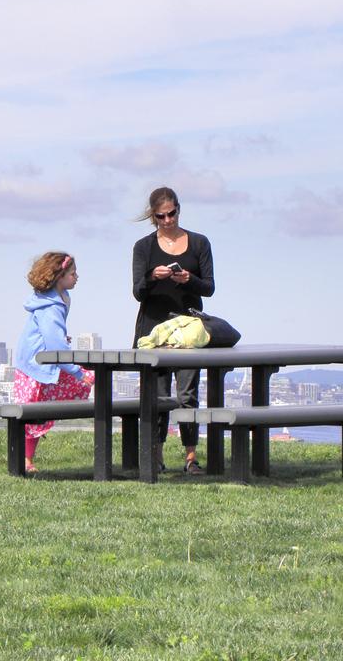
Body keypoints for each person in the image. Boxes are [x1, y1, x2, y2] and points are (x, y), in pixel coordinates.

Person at [132, 187, 214, 475]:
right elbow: (138, 292)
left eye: (172, 214)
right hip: (154, 330)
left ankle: (191, 456)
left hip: (189, 330)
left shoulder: (200, 243)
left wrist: (188, 278)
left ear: (179, 209)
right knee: (158, 396)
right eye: (161, 216)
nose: (168, 220)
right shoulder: (143, 247)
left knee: (188, 394)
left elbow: (209, 288)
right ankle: (156, 455)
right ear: (153, 217)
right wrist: (153, 276)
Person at [14, 251, 95, 473]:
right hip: (37, 365)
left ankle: (27, 459)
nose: (77, 277)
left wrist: (58, 339)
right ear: (60, 277)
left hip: (35, 362)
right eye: (72, 273)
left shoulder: (54, 299)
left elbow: (50, 336)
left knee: (37, 412)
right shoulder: (52, 306)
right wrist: (80, 373)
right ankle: (25, 460)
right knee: (34, 411)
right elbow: (55, 345)